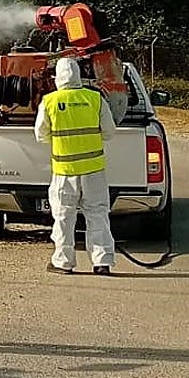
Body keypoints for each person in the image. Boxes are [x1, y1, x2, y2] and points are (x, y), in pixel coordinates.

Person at [35, 57, 118, 275]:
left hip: (65, 171)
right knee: (98, 214)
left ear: (57, 78)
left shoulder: (50, 101)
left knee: (63, 216)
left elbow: (40, 134)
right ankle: (102, 262)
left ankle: (63, 262)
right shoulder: (95, 99)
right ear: (79, 75)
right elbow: (109, 132)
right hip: (93, 171)